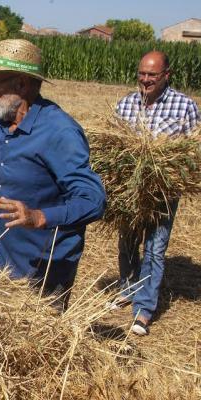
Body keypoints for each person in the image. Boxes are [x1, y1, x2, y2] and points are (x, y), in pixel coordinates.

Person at [0, 39, 106, 311]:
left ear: (21, 85)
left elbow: (93, 200)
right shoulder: (0, 126)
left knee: (41, 344)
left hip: (45, 266)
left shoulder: (60, 132)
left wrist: (39, 217)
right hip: (5, 255)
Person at [113, 50, 199, 336]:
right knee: (126, 242)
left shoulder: (185, 106)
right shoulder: (126, 105)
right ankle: (128, 288)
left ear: (166, 75)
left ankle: (143, 309)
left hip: (163, 193)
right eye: (142, 73)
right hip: (129, 190)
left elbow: (194, 152)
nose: (145, 80)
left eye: (152, 75)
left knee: (154, 247)